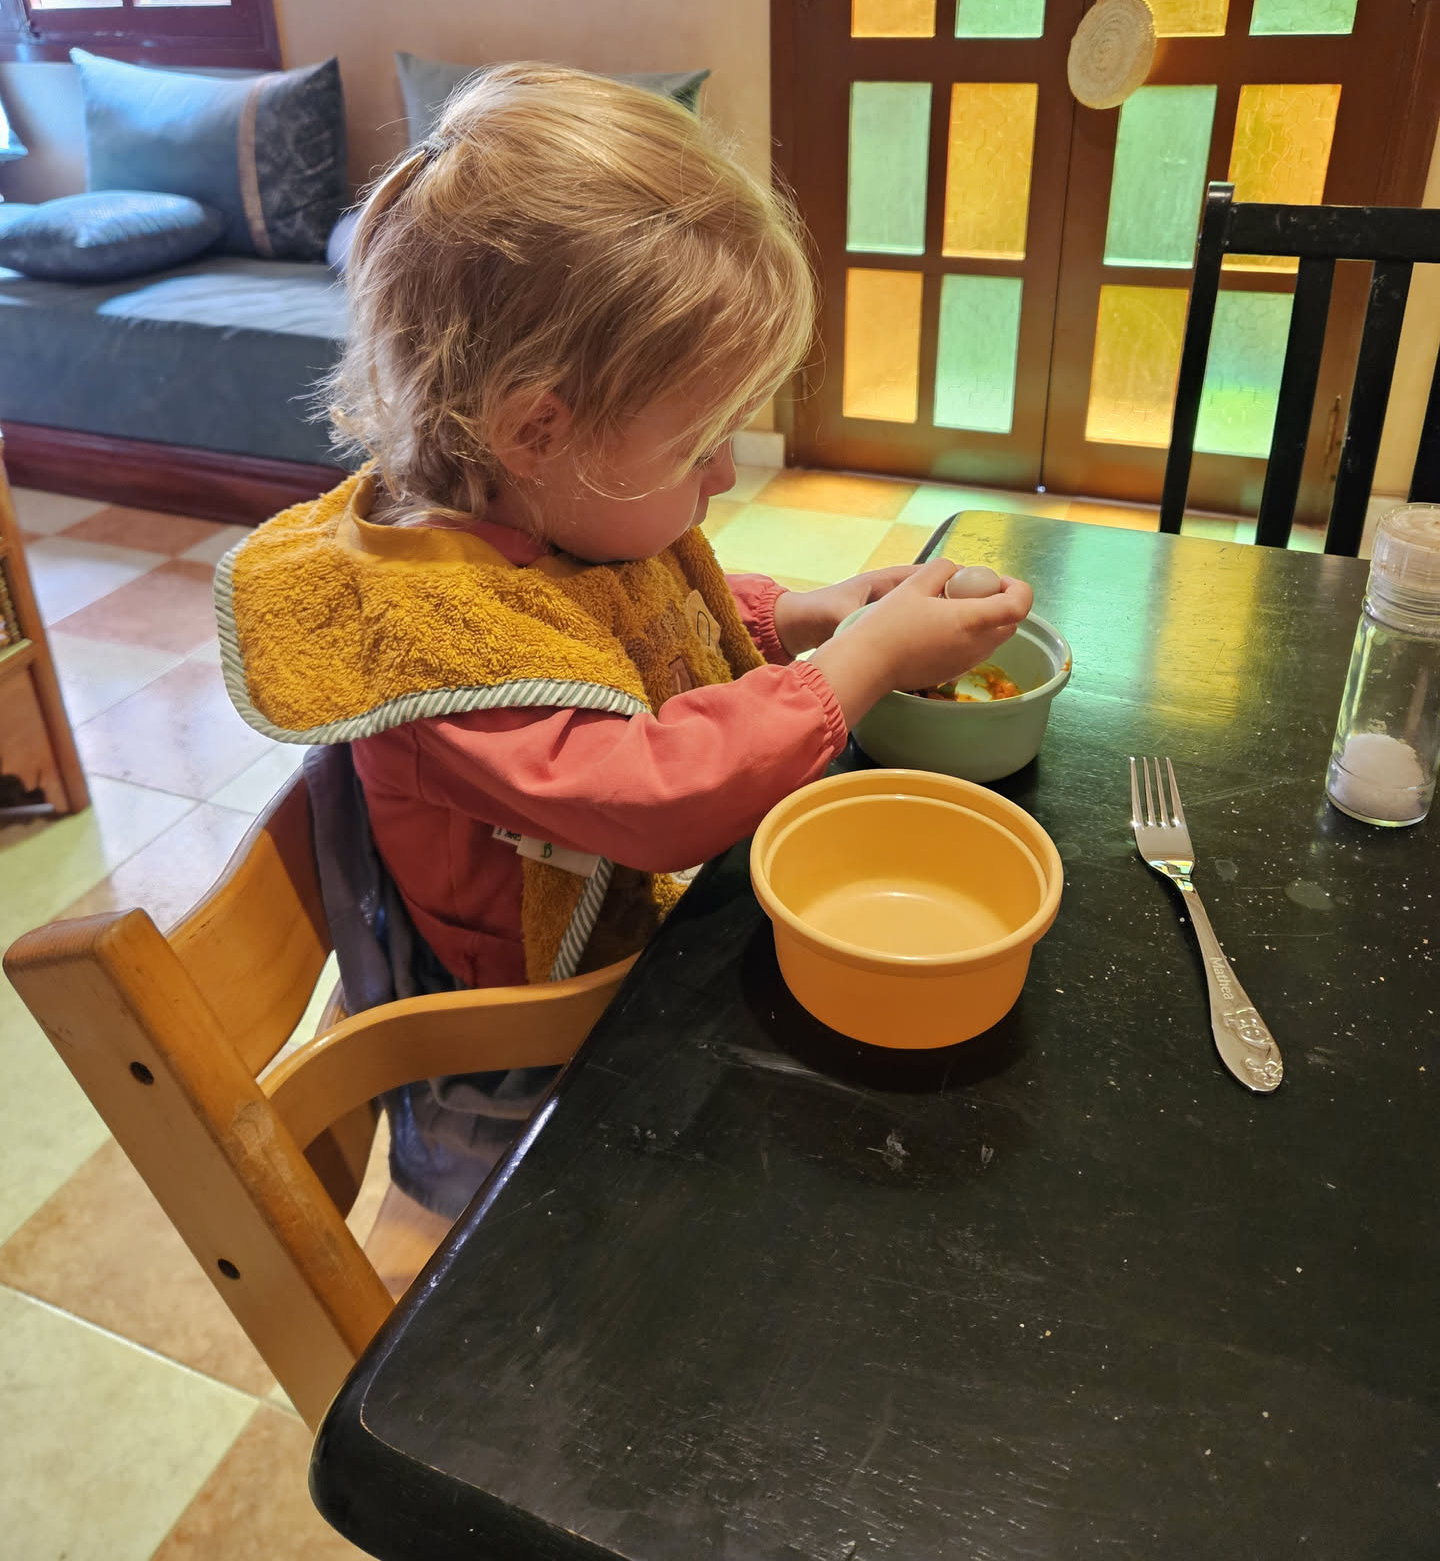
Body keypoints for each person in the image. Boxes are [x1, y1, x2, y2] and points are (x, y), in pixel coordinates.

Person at [220, 62, 1031, 1002]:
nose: (727, 476)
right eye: (700, 449)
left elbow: (631, 620)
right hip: (526, 1032)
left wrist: (808, 615)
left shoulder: (536, 511)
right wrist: (868, 659)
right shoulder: (433, 644)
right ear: (536, 432)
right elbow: (655, 796)